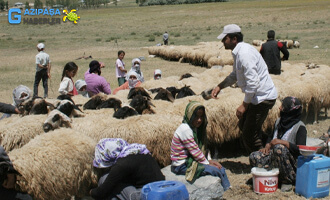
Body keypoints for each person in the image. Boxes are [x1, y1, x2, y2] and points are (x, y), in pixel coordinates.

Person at [211, 24, 278, 154]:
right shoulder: (238, 52)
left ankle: (262, 161)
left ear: (234, 39)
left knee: (249, 134)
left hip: (263, 97)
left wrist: (244, 105)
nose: (222, 41)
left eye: (225, 38)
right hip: (257, 97)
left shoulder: (244, 54)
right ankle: (268, 147)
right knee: (244, 125)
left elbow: (253, 83)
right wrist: (220, 86)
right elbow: (235, 75)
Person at [249, 96, 306, 192]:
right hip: (274, 157)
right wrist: (267, 145)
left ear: (289, 110)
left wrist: (282, 142)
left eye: (283, 106)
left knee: (279, 148)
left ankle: (287, 180)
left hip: (290, 163)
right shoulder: (279, 121)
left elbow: (301, 150)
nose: (280, 108)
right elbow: (271, 136)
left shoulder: (300, 127)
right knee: (254, 156)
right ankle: (270, 175)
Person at [170, 101, 231, 190]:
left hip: (192, 159)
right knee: (215, 170)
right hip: (181, 165)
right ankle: (225, 188)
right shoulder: (185, 129)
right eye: (196, 117)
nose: (199, 120)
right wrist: (207, 163)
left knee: (220, 167)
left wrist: (209, 159)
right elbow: (195, 151)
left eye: (201, 117)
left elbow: (203, 146)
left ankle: (227, 187)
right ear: (190, 115)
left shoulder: (196, 129)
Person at [90, 138, 165, 200]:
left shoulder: (121, 165)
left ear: (108, 155)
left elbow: (100, 193)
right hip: (161, 189)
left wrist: (90, 192)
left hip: (145, 195)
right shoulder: (139, 150)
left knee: (105, 178)